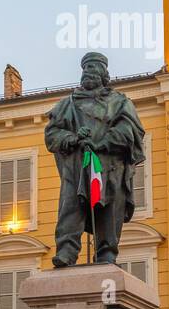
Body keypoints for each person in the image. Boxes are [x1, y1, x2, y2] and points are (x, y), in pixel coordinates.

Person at [44, 52, 145, 266]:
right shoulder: (67, 104)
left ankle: (106, 252)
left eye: (94, 67)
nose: (88, 71)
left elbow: (130, 130)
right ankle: (66, 251)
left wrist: (103, 143)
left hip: (110, 165)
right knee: (70, 207)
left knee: (111, 208)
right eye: (86, 67)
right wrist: (72, 138)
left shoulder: (120, 102)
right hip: (77, 166)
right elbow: (52, 134)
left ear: (104, 73)